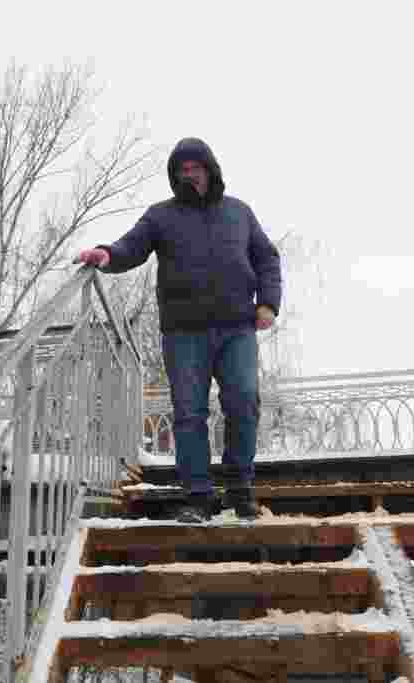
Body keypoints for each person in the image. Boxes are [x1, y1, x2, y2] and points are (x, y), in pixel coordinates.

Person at [75, 137, 282, 522]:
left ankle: (240, 490)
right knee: (189, 413)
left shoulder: (238, 212)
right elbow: (131, 247)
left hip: (237, 329)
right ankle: (198, 497)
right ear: (175, 176)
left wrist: (268, 303)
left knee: (244, 401)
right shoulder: (161, 216)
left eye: (195, 168)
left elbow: (267, 258)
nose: (189, 175)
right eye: (182, 170)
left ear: (210, 170)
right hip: (184, 334)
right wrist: (106, 254)